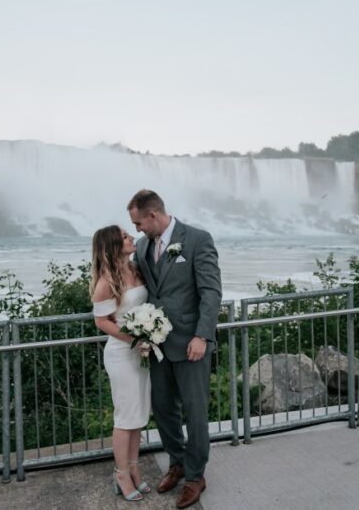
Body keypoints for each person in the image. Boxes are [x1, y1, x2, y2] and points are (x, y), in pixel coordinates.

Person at [127, 189, 222, 509]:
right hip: (157, 346)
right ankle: (177, 463)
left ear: (153, 215)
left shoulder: (197, 239)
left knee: (195, 413)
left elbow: (210, 292)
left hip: (191, 344)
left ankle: (196, 476)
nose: (137, 229)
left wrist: (203, 336)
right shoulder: (141, 247)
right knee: (164, 409)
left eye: (139, 222)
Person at [90, 225, 152, 502]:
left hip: (140, 351)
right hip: (121, 353)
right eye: (125, 236)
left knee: (138, 415)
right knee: (125, 417)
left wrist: (148, 334)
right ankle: (121, 474)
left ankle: (135, 469)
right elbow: (102, 321)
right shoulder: (106, 282)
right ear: (114, 245)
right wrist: (133, 339)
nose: (131, 238)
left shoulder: (136, 269)